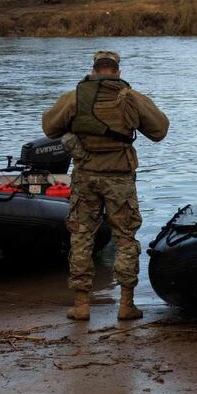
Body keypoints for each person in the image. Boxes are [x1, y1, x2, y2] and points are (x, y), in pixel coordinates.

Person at [42, 51, 169, 322]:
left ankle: (81, 304)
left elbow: (50, 127)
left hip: (86, 175)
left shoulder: (76, 96)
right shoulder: (130, 97)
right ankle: (126, 304)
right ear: (118, 72)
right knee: (125, 238)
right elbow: (160, 131)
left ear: (94, 70)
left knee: (81, 236)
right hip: (120, 178)